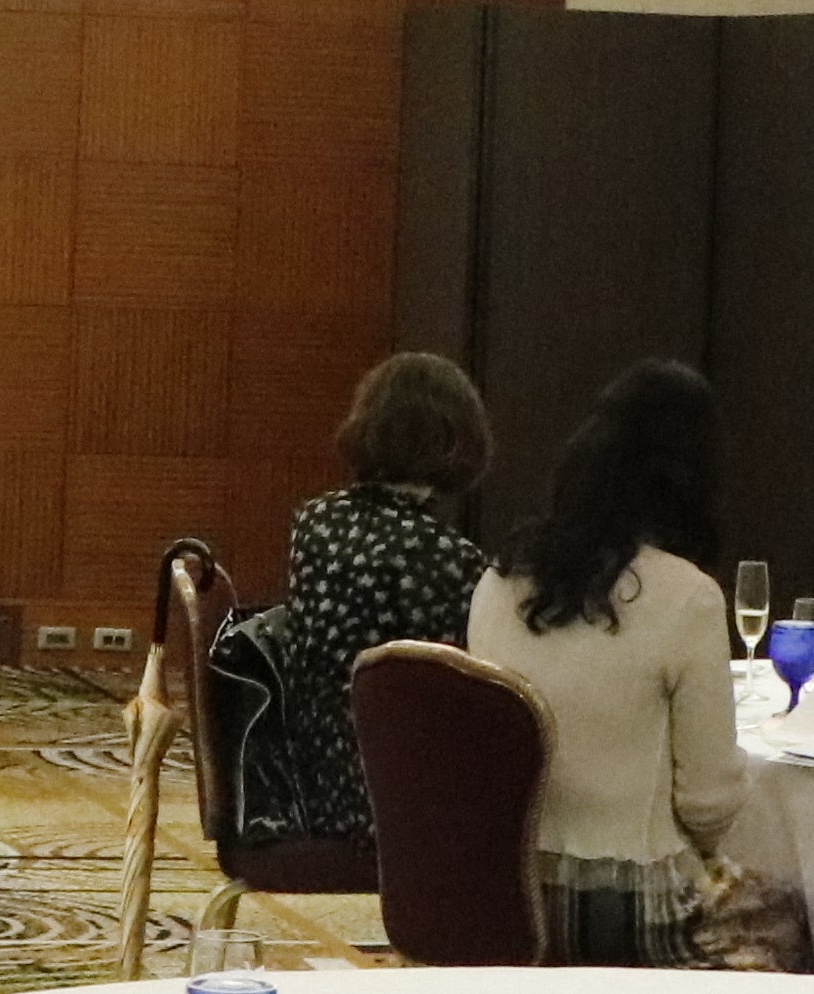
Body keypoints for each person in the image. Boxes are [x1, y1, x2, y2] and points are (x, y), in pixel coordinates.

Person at [466, 360, 777, 967]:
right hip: (632, 915)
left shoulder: (496, 584)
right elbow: (708, 805)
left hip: (506, 901)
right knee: (788, 916)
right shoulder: (686, 596)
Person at [239, 352, 493, 844]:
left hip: (302, 779)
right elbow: (459, 691)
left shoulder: (314, 521)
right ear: (456, 437)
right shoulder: (444, 556)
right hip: (384, 798)